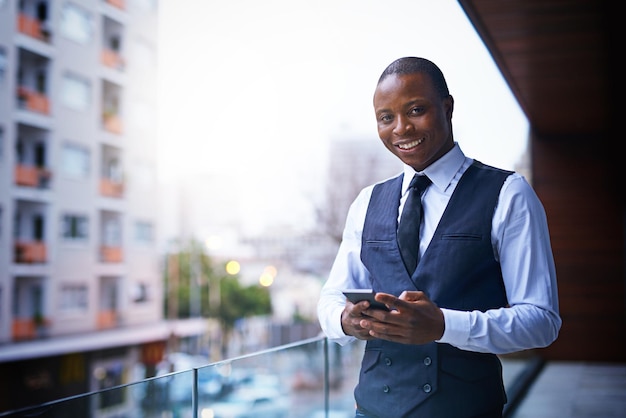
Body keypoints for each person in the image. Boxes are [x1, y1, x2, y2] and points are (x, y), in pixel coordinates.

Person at [317, 57, 561, 418]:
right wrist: (344, 320)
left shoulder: (508, 194)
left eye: (416, 110)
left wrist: (444, 325)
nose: (400, 128)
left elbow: (541, 322)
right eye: (386, 118)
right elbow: (330, 297)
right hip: (372, 409)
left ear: (447, 107)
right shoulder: (366, 202)